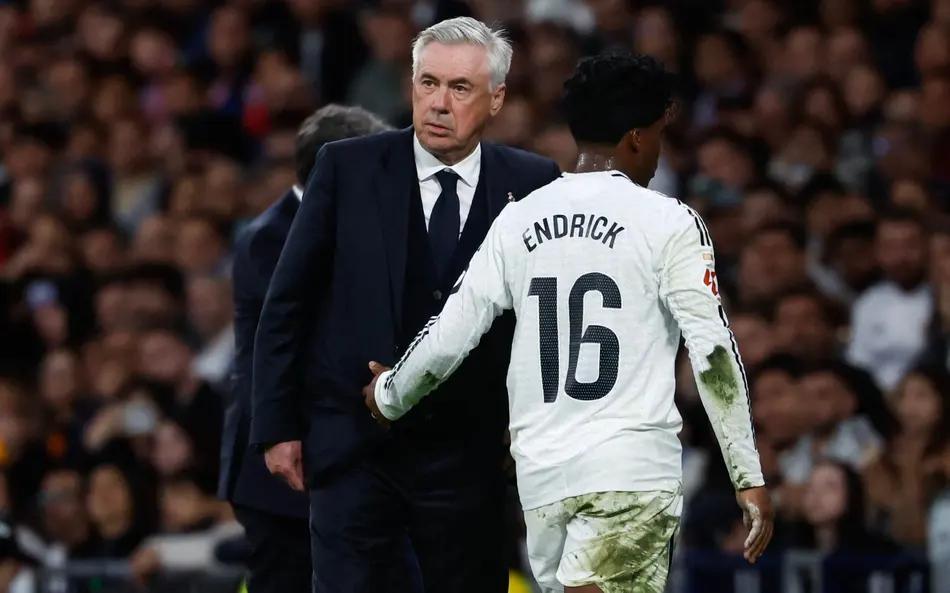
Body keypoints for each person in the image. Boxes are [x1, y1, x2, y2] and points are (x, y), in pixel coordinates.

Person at [366, 53, 772, 593]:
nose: (657, 153)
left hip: (542, 477)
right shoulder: (669, 221)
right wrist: (747, 474)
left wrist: (389, 394)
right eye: (657, 136)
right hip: (628, 472)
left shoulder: (517, 220)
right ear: (636, 138)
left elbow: (448, 335)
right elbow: (714, 351)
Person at [251, 17, 560, 593]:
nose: (438, 103)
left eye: (459, 88)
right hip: (352, 448)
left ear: (496, 99)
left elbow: (545, 322)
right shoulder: (345, 166)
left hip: (470, 453)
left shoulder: (534, 182)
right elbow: (288, 302)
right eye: (427, 83)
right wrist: (276, 427)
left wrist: (532, 430)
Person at [219, 104, 391, 593]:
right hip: (282, 464)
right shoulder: (269, 239)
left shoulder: (347, 223)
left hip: (336, 456)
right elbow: (288, 346)